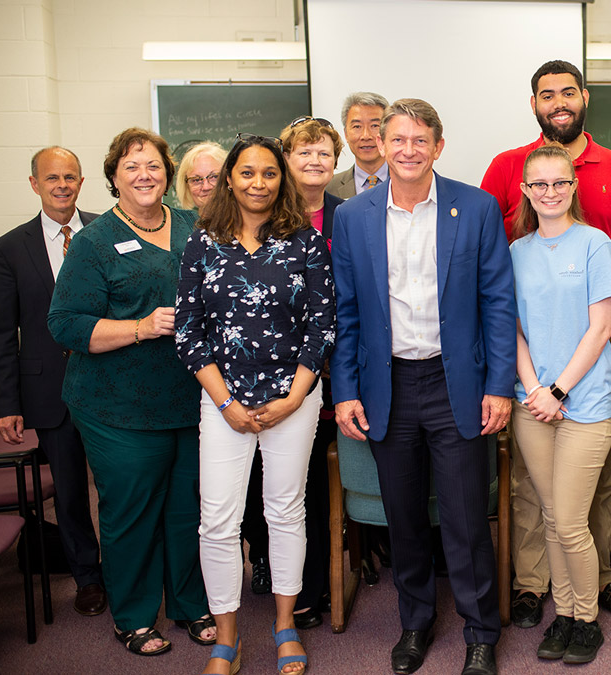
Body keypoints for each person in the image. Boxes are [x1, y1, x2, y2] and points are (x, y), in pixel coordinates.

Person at [331, 98, 514, 675]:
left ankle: (480, 631)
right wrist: (345, 390)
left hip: (455, 382)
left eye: (420, 140)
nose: (408, 151)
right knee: (404, 518)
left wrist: (499, 385)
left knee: (464, 519)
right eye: (397, 140)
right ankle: (415, 623)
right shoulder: (353, 216)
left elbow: (497, 303)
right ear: (381, 146)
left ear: (438, 146)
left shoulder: (477, 207)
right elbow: (346, 312)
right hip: (387, 384)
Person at [480, 59, 611, 626]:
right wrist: (534, 387)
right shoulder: (505, 167)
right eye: (546, 93)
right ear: (534, 103)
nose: (558, 101)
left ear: (584, 97)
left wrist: (561, 385)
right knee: (534, 492)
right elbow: (493, 274)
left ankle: (593, 584)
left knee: (592, 485)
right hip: (532, 376)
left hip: (594, 368)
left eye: (567, 92)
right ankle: (532, 585)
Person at [47, 127, 212, 657]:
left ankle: (189, 604)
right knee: (133, 510)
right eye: (132, 167)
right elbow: (65, 325)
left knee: (189, 509)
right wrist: (140, 327)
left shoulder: (193, 224)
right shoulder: (94, 242)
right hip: (116, 405)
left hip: (190, 398)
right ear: (114, 177)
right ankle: (135, 616)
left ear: (169, 174)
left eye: (155, 166)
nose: (145, 175)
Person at [176, 132, 334, 675]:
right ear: (229, 179)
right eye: (247, 173)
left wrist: (294, 397)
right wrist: (225, 404)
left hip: (294, 398)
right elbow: (190, 332)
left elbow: (322, 326)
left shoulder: (305, 242)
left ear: (281, 179)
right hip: (224, 402)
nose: (259, 183)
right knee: (216, 520)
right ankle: (227, 636)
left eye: (269, 173)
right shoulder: (201, 242)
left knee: (285, 512)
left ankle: (286, 625)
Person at [510, 145, 611, 664]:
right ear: (526, 191)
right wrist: (535, 389)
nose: (550, 193)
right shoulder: (516, 252)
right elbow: (512, 331)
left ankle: (589, 618)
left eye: (560, 183)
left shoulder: (595, 244)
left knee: (572, 521)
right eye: (540, 185)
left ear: (573, 186)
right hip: (531, 404)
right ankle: (566, 613)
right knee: (553, 516)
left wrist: (559, 391)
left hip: (585, 403)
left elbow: (600, 329)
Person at [0, 146, 105, 617]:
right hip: (49, 392)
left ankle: (125, 572)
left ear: (81, 182)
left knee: (119, 487)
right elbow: (2, 333)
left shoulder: (107, 230)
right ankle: (88, 578)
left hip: (108, 383)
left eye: (71, 177)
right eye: (52, 178)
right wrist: (5, 405)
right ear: (34, 184)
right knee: (71, 492)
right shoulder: (9, 249)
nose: (63, 185)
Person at [276, 115, 347, 629]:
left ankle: (319, 584)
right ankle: (286, 578)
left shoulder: (351, 214)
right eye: (304, 153)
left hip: (337, 365)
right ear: (286, 158)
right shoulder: (267, 215)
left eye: (324, 152)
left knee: (323, 483)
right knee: (284, 484)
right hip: (281, 369)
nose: (314, 162)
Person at [327, 91, 389, 198]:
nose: (366, 136)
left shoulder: (408, 182)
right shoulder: (328, 188)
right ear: (346, 134)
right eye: (357, 126)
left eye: (375, 125)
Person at [174, 141, 227, 210]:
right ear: (186, 187)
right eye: (196, 180)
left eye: (214, 177)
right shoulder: (184, 220)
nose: (206, 187)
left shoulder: (243, 220)